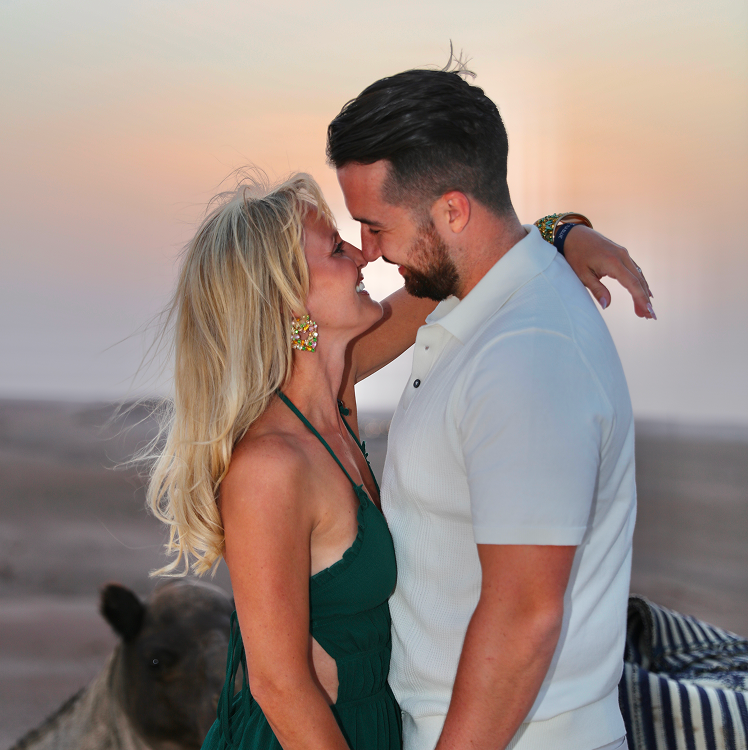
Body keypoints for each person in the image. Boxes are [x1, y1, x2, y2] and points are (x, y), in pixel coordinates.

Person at [146, 174, 646, 747]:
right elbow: (279, 685)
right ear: (287, 299)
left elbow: (473, 264)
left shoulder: (334, 399)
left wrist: (558, 234)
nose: (363, 255)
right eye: (336, 249)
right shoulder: (270, 467)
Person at [326, 64, 644, 750]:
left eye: (375, 226)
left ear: (452, 211)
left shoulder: (525, 356)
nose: (368, 253)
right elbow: (328, 361)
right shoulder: (468, 299)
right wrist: (557, 230)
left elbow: (525, 617)